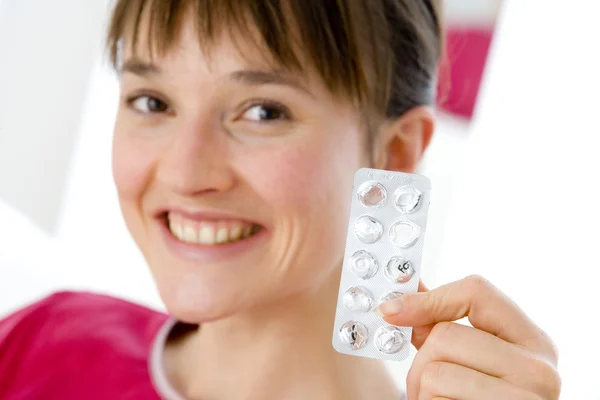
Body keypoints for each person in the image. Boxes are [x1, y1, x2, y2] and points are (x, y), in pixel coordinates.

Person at [0, 1, 561, 399]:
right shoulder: (37, 343)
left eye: (263, 111)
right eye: (152, 101)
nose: (185, 170)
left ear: (393, 154)